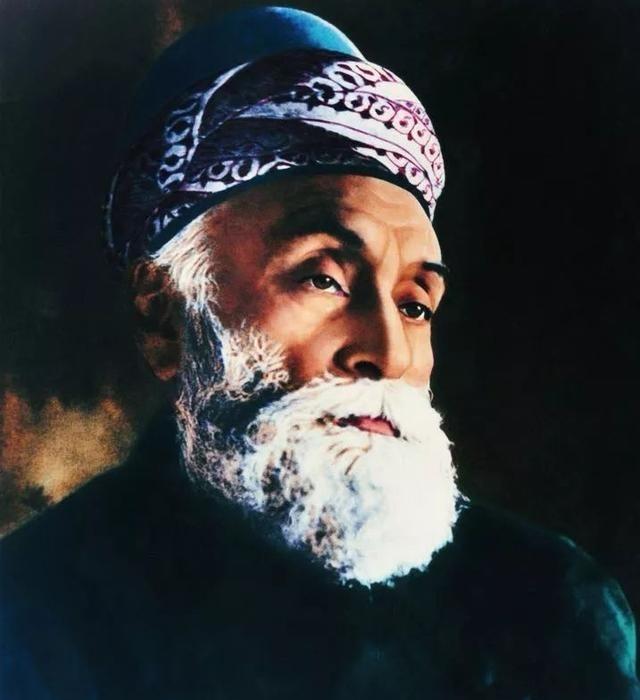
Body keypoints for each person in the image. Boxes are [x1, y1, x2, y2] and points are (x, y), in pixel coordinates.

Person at [1, 7, 638, 699]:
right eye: (324, 279)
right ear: (165, 314)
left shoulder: (553, 608)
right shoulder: (33, 614)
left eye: (414, 305)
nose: (387, 354)